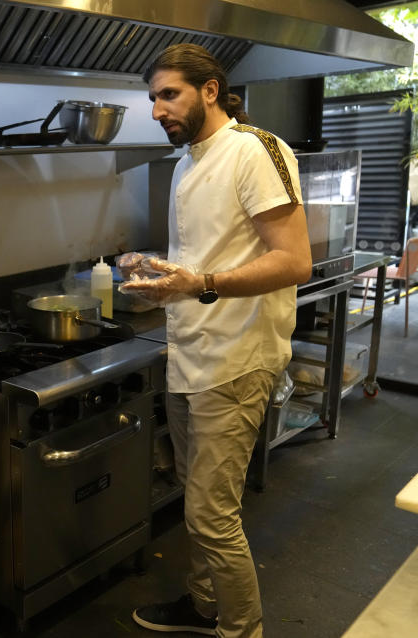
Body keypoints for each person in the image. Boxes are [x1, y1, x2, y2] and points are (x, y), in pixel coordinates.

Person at [123, 44, 312, 638]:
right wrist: (163, 275)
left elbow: (295, 260)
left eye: (169, 94)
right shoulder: (187, 161)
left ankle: (242, 629)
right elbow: (209, 259)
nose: (157, 109)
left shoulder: (255, 150)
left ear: (209, 91)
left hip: (237, 358)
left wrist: (199, 282)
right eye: (153, 97)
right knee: (195, 499)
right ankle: (204, 606)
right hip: (191, 351)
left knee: (211, 516)